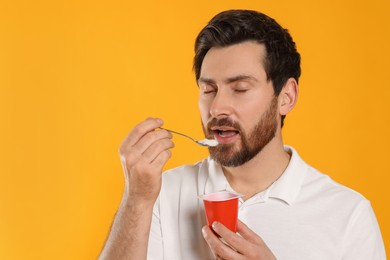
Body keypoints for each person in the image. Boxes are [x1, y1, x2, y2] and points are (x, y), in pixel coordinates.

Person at [99, 9, 386, 260]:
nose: (218, 107)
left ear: (286, 96)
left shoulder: (348, 214)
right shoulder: (159, 195)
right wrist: (136, 200)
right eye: (208, 89)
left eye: (240, 89)